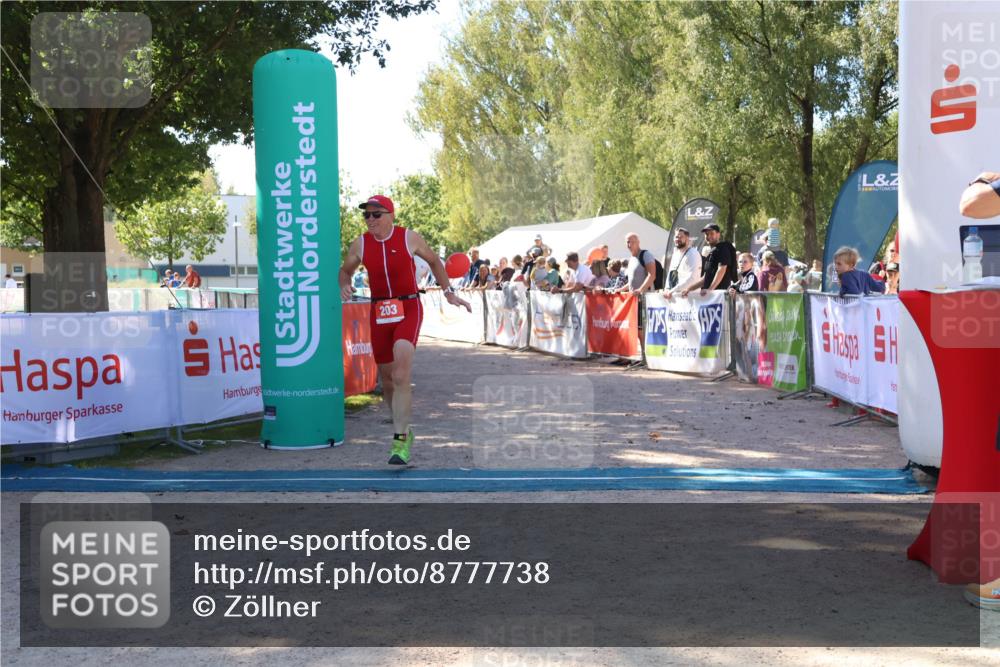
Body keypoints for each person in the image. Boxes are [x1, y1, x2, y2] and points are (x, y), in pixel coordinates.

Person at [340, 195, 471, 465]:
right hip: (379, 311)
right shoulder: (361, 244)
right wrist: (343, 283)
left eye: (376, 215)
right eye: (367, 215)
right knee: (387, 381)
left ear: (390, 215)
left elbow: (435, 261)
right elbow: (345, 271)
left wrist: (448, 292)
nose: (370, 220)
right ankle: (404, 431)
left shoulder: (409, 238)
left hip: (408, 307)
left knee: (401, 374)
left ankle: (399, 441)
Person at [684, 223, 736, 296]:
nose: (708, 236)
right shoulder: (711, 253)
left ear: (718, 234)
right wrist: (689, 289)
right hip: (711, 298)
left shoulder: (723, 248)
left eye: (711, 233)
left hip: (720, 296)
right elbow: (705, 278)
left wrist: (710, 289)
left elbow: (721, 269)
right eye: (706, 234)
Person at [663, 227, 702, 298]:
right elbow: (670, 274)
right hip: (675, 297)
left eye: (681, 237)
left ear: (687, 239)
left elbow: (692, 278)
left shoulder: (693, 253)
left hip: (690, 297)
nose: (678, 239)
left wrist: (673, 290)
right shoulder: (675, 254)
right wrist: (667, 289)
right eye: (676, 237)